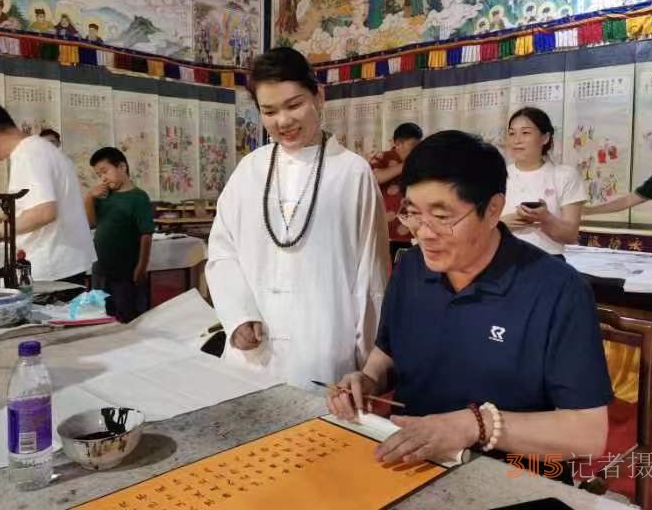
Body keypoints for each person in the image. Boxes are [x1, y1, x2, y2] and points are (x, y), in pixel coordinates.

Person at [327, 131, 611, 478]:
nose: (423, 233)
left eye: (442, 217)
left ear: (493, 210)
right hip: (413, 464)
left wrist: (473, 425)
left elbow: (587, 434)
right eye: (413, 213)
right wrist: (366, 380)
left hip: (511, 476)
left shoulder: (556, 290)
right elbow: (386, 356)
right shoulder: (413, 267)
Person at [206, 47, 389, 390]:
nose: (283, 121)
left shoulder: (352, 173)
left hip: (322, 346)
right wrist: (237, 315)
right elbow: (222, 251)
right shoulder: (249, 170)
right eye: (269, 111)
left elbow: (371, 275)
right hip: (254, 351)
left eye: (294, 105)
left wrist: (367, 364)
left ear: (319, 96)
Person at [0, 102, 95, 284]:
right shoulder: (38, 150)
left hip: (51, 268)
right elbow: (31, 207)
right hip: (60, 263)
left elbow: (44, 212)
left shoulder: (29, 154)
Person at [502, 108, 586, 256]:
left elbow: (570, 235)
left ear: (545, 138)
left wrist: (545, 218)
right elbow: (476, 228)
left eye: (525, 133)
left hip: (550, 261)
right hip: (502, 260)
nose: (516, 140)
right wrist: (501, 225)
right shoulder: (497, 175)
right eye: (512, 133)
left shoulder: (565, 176)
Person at [84, 147, 154, 323]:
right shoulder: (103, 196)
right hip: (101, 268)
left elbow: (146, 235)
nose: (103, 178)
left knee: (127, 315)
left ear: (122, 167)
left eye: (105, 171)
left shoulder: (139, 197)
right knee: (100, 314)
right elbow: (92, 223)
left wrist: (141, 267)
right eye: (99, 175)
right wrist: (89, 198)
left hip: (125, 271)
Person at [370, 123, 423, 262]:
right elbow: (374, 177)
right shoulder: (382, 157)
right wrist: (406, 165)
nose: (417, 150)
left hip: (412, 230)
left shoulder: (420, 162)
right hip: (386, 230)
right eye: (413, 145)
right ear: (398, 143)